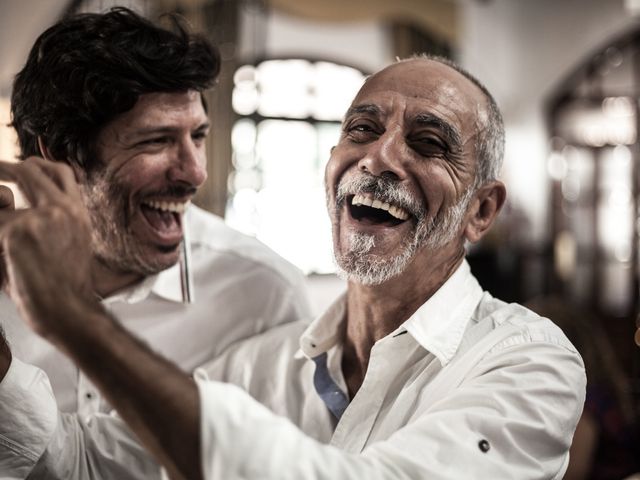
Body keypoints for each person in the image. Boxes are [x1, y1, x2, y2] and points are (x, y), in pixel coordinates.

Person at [0, 55, 586, 479]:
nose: (379, 156)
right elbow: (79, 462)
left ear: (479, 211)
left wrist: (71, 316)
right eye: (362, 129)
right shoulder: (265, 365)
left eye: (429, 144)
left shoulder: (530, 361)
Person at [0, 7, 310, 422]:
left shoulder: (265, 295)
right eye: (157, 140)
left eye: (198, 136)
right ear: (60, 154)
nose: (196, 172)